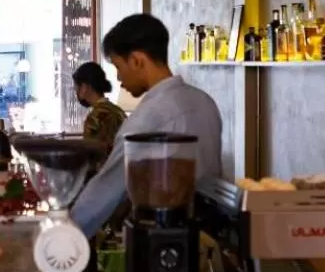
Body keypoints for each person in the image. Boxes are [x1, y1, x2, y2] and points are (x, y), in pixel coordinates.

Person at [71, 14, 223, 236]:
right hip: (211, 236)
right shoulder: (205, 102)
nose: (119, 78)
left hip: (166, 238)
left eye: (118, 67)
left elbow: (105, 190)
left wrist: (63, 237)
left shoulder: (147, 117)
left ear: (137, 60)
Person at [72, 61, 127, 159]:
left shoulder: (94, 118)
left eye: (76, 87)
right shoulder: (119, 112)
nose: (76, 92)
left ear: (84, 87)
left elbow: (89, 157)